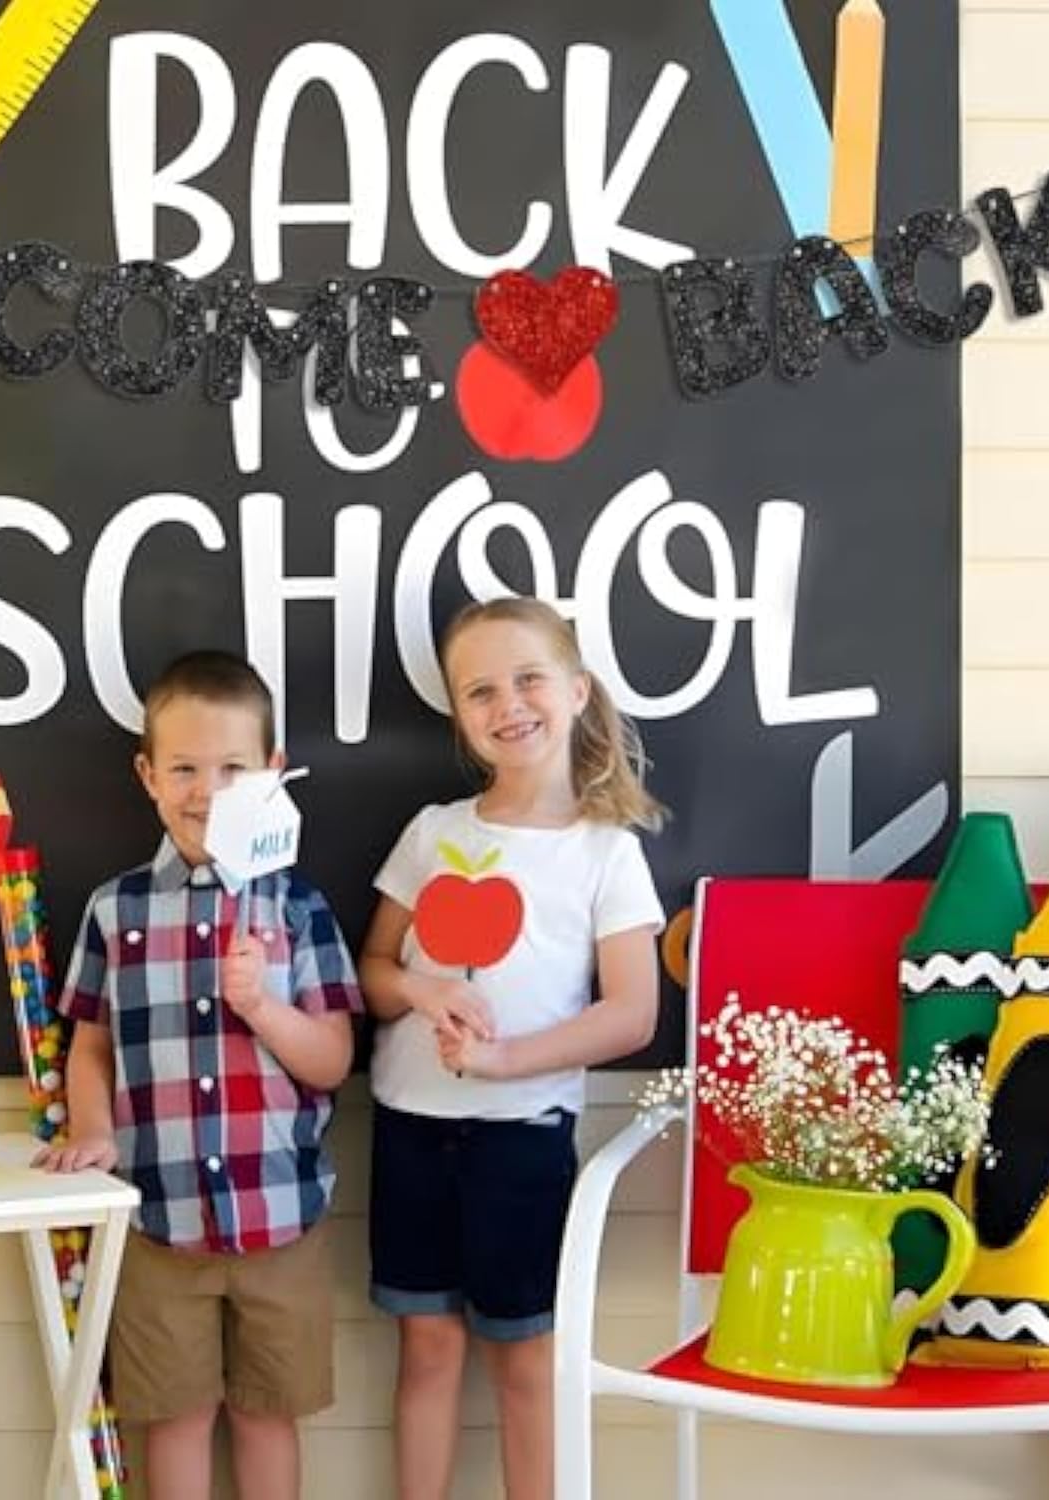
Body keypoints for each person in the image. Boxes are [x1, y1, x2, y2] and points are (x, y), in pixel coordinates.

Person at [36, 650, 362, 1500]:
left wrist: (266, 1009)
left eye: (232, 769)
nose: (204, 791)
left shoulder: (298, 910)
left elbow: (332, 1059)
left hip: (280, 1218)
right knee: (173, 1418)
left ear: (273, 775)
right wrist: (95, 1128)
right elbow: (92, 1043)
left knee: (267, 1415)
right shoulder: (118, 909)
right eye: (183, 768)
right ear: (147, 774)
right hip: (158, 1222)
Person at [359, 597, 665, 1500]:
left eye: (528, 679)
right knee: (427, 1348)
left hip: (522, 1138)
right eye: (479, 691)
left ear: (575, 692)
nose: (508, 704)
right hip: (410, 1132)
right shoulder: (433, 832)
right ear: (459, 715)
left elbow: (633, 1014)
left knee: (525, 1362)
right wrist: (425, 990)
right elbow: (372, 970)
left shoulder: (607, 853)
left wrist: (502, 1061)